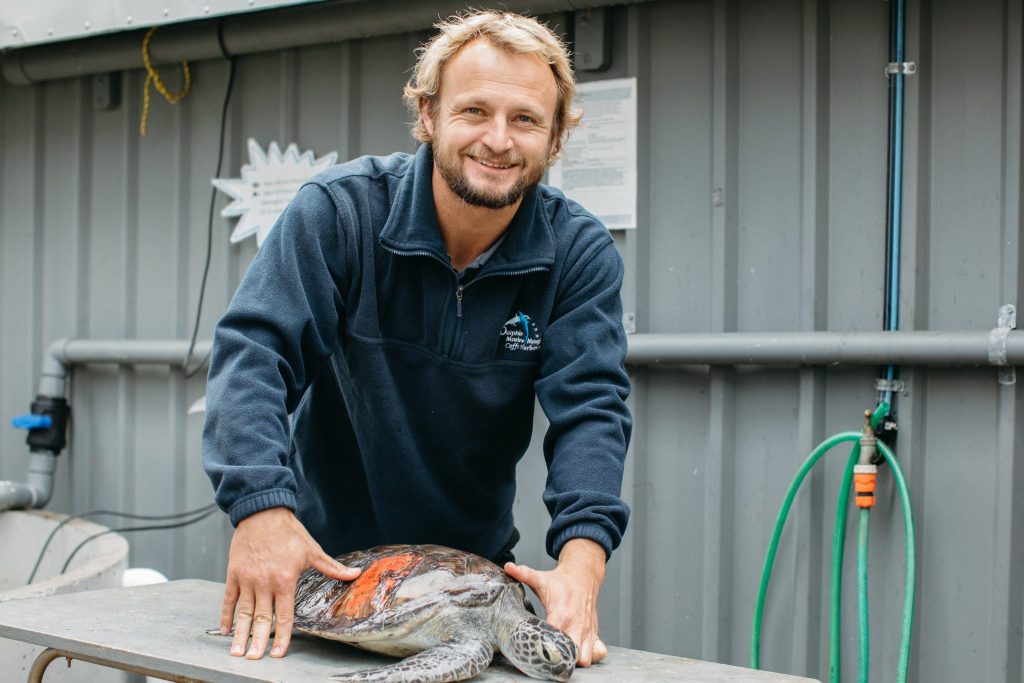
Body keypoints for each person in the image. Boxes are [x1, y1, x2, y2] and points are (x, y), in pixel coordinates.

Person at [202, 9, 632, 669]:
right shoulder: (338, 214)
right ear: (428, 114)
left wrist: (582, 564)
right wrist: (259, 506)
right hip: (321, 571)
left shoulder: (577, 253)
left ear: (555, 137)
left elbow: (592, 410)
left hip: (474, 575)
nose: (498, 139)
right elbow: (254, 355)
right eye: (474, 111)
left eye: (525, 119)